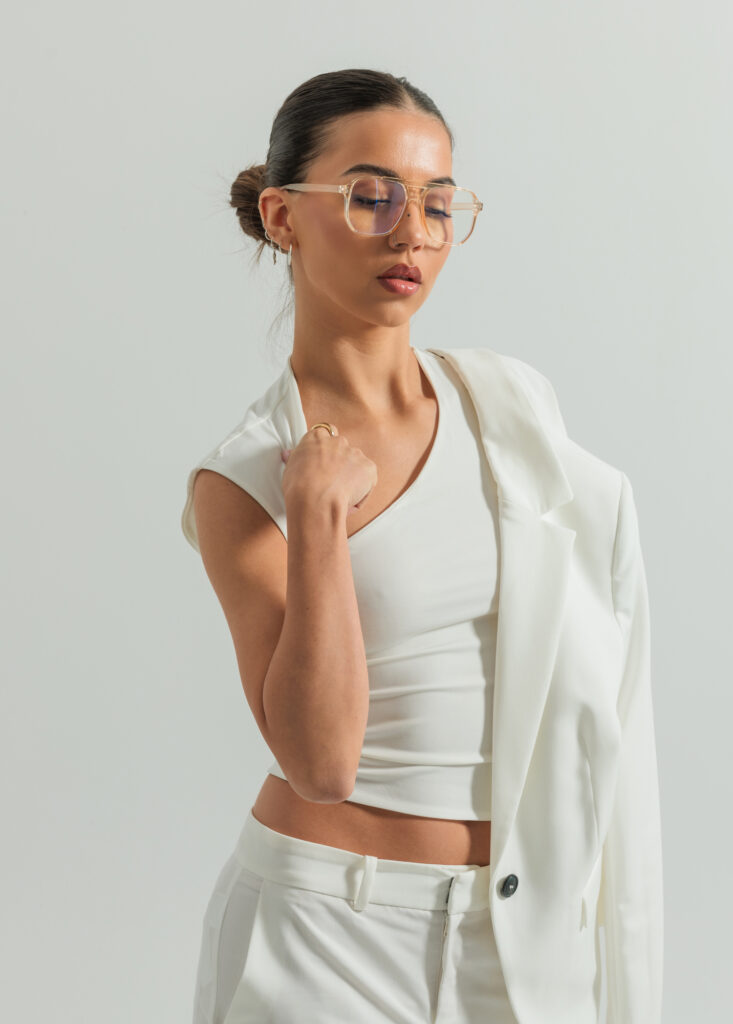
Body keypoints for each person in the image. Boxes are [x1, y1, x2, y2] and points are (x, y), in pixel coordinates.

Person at [181, 68, 663, 1024]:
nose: (411, 232)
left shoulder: (509, 411)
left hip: (521, 931)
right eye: (371, 197)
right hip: (322, 935)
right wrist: (315, 519)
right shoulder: (241, 482)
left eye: (439, 205)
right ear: (282, 217)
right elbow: (319, 762)